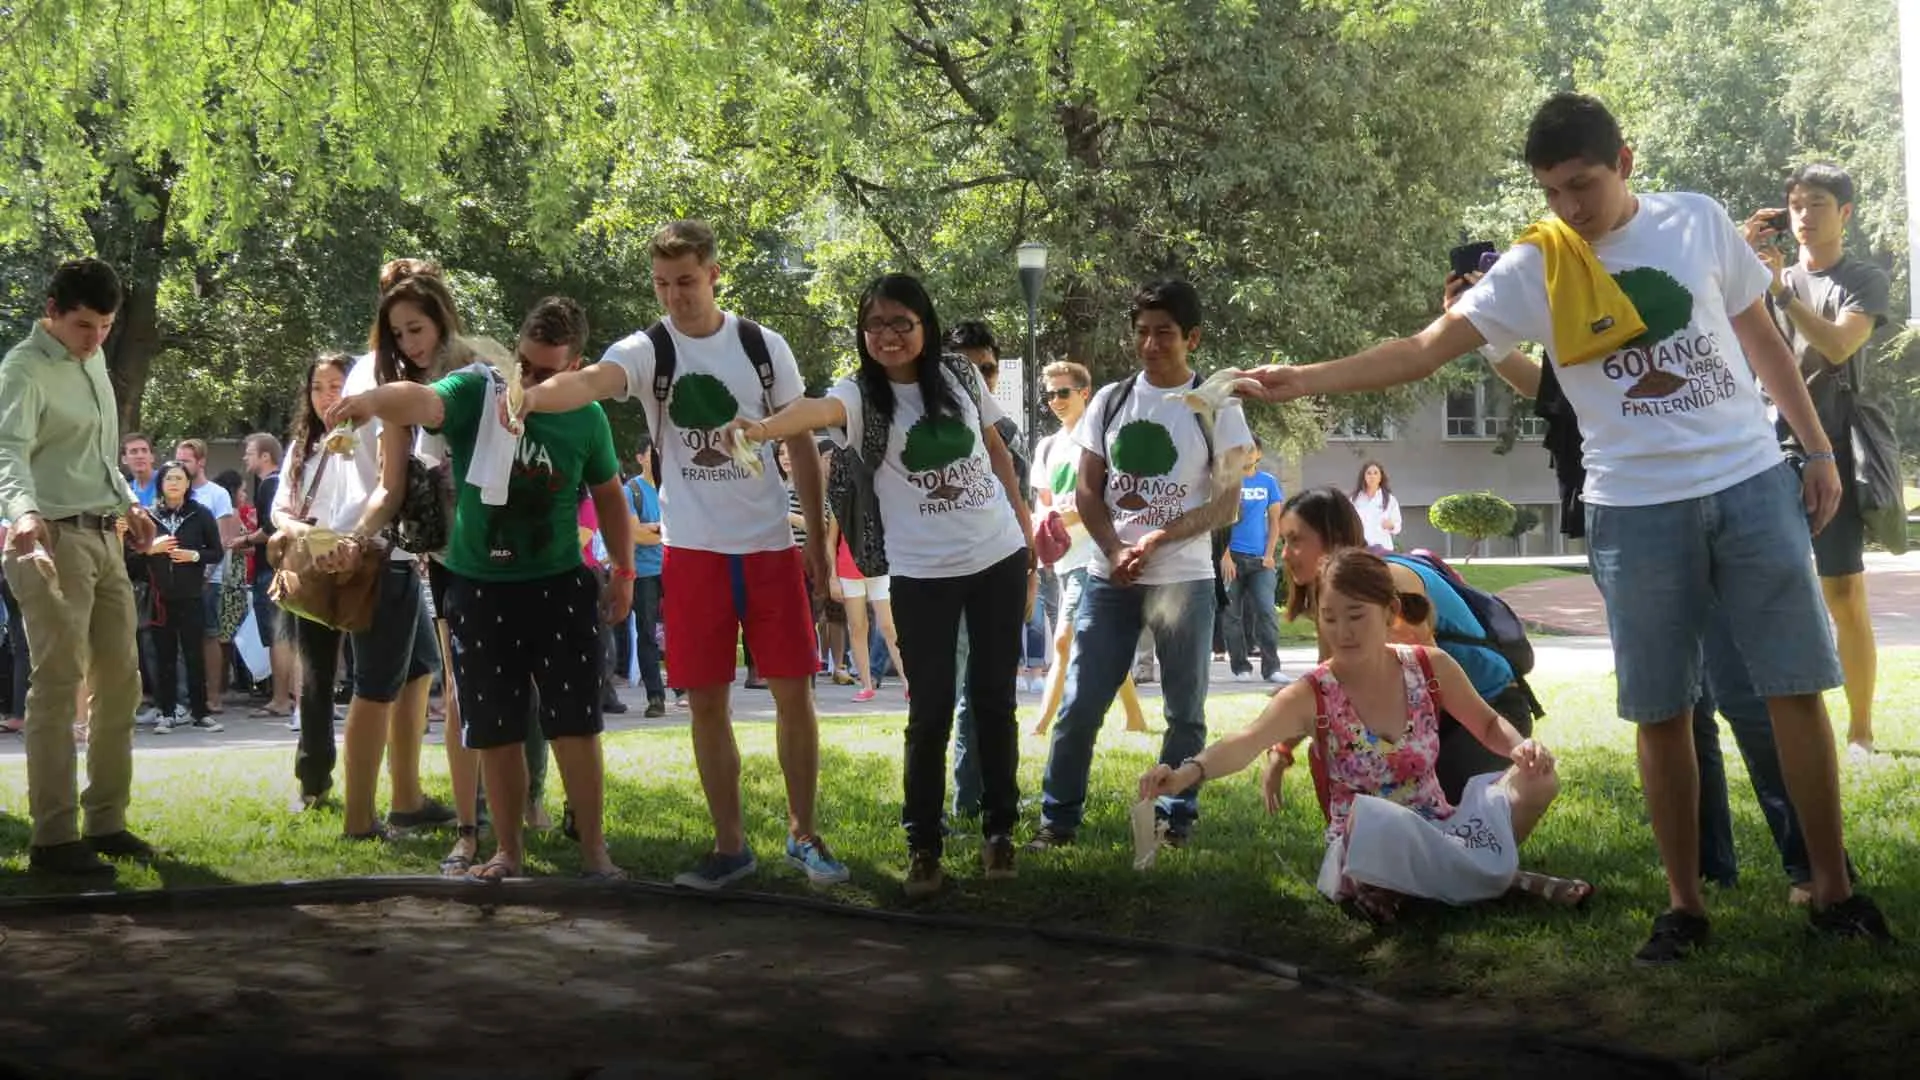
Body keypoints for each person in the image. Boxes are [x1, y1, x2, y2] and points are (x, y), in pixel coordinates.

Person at [1234, 92, 1891, 958]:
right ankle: (1685, 907)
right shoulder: (1535, 266)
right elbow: (1427, 347)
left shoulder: (1695, 223)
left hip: (1748, 482)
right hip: (1633, 507)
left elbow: (1761, 336)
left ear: (1623, 161)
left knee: (1794, 691)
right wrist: (1305, 378)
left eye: (1582, 184)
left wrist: (1814, 449)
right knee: (1661, 709)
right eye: (1552, 192)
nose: (1570, 208)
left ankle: (1834, 891)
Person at [511, 219, 844, 890]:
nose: (675, 297)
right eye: (663, 285)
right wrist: (525, 397)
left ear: (714, 273)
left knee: (793, 696)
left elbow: (800, 443)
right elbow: (591, 383)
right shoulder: (647, 349)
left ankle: (804, 834)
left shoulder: (760, 346)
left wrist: (817, 540)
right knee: (706, 703)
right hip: (692, 554)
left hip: (770, 546)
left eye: (687, 282)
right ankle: (731, 847)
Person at [733, 272, 1033, 896]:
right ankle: (923, 844)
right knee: (929, 712)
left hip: (998, 557)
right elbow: (816, 411)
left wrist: (1029, 539)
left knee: (994, 701)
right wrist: (761, 429)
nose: (888, 336)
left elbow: (997, 454)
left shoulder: (957, 375)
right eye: (875, 325)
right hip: (922, 573)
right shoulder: (860, 394)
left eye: (902, 323)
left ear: (925, 325)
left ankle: (999, 833)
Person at [330, 296, 631, 881]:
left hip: (559, 583)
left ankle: (595, 852)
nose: (531, 380)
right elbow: (420, 400)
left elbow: (612, 496)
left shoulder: (586, 415)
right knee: (495, 727)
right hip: (480, 586)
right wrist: (368, 401)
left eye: (548, 371)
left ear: (577, 366)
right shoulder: (478, 389)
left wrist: (622, 570)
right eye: (526, 365)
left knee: (575, 722)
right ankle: (507, 851)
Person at [1140, 549, 1588, 923]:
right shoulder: (1312, 691)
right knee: (1371, 818)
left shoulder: (1430, 665)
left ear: (1390, 612)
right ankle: (1498, 878)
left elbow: (1488, 725)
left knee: (1538, 780)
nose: (1342, 631)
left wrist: (1519, 748)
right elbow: (1246, 741)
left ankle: (1452, 882)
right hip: (1370, 843)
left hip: (1440, 825)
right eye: (1330, 618)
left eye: (1356, 616)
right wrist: (1185, 774)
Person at [1028, 279, 1254, 853]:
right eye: (1143, 332)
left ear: (1193, 338)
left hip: (1184, 579)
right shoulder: (1110, 399)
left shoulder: (1218, 405)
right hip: (1110, 579)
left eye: (1165, 333)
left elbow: (1226, 503)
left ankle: (1174, 821)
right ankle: (1058, 822)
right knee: (1080, 704)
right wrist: (1112, 551)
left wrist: (1156, 539)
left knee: (1184, 710)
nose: (1151, 344)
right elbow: (1086, 491)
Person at [0, 257, 159, 876]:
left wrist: (130, 505)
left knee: (121, 679)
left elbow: (95, 453)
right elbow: (7, 451)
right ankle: (54, 838)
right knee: (60, 682)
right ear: (53, 312)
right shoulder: (22, 369)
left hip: (104, 535)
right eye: (85, 326)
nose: (96, 339)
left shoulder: (93, 361)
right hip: (48, 540)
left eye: (106, 326)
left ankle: (107, 821)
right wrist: (22, 513)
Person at [1745, 164, 1889, 762]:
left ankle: (1859, 732)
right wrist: (1740, 257)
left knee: (1844, 592)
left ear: (1845, 212)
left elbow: (1836, 345)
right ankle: (1788, 725)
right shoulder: (1765, 279)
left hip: (1838, 442)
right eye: (1796, 205)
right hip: (1770, 443)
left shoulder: (1865, 279)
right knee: (1773, 588)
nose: (1804, 216)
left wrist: (1782, 293)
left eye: (1819, 203)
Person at [1028, 360, 1149, 738]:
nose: (1055, 400)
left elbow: (1109, 499)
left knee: (1064, 639)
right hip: (1063, 557)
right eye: (1049, 394)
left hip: (1096, 554)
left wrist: (1071, 517)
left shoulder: (1100, 442)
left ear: (1085, 393)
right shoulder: (1047, 447)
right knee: (1093, 639)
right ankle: (1135, 717)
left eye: (1063, 392)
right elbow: (1043, 503)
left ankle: (1044, 723)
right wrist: (1046, 523)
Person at [132, 460, 224, 734]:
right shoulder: (148, 516)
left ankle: (200, 712)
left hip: (192, 594)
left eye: (179, 478)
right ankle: (166, 712)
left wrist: (193, 555)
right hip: (159, 598)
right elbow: (133, 558)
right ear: (161, 484)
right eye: (168, 478)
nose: (173, 483)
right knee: (163, 655)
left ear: (187, 484)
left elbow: (216, 552)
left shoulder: (201, 514)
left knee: (194, 653)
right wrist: (151, 549)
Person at [173, 439, 239, 715]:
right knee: (179, 637)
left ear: (201, 462)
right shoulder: (174, 491)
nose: (180, 466)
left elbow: (225, 539)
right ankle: (183, 697)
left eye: (186, 460)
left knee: (209, 635)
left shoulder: (217, 494)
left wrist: (206, 572)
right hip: (178, 577)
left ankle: (213, 695)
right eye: (177, 460)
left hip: (208, 577)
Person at [235, 433, 295, 717]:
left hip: (270, 573)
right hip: (279, 569)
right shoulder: (279, 483)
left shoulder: (269, 486)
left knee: (277, 637)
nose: (245, 457)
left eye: (250, 452)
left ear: (265, 456)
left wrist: (243, 541)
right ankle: (290, 698)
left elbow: (271, 529)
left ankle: (281, 700)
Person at [1221, 436, 1286, 684]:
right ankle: (1241, 667)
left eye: (1253, 450)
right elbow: (1220, 522)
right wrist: (1225, 556)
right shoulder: (1228, 481)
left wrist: (1270, 554)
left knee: (1266, 612)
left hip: (1261, 560)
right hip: (1233, 558)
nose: (1248, 454)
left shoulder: (1268, 482)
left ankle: (1272, 668)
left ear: (1259, 454)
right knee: (1231, 616)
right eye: (1244, 450)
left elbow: (1274, 522)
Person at [625, 437, 667, 717]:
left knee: (683, 629)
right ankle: (655, 696)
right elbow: (633, 533)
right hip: (645, 574)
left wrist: (654, 529)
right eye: (651, 454)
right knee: (647, 634)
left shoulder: (672, 488)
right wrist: (665, 531)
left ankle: (686, 687)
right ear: (640, 458)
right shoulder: (632, 491)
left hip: (673, 568)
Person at [1351, 460, 1402, 550]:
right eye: (1369, 473)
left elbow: (1398, 526)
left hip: (1383, 548)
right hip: (1361, 549)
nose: (1372, 476)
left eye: (1375, 473)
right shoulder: (1354, 499)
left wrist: (1391, 525)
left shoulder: (1390, 500)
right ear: (1364, 477)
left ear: (1380, 477)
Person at [121, 434, 158, 508]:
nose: (140, 456)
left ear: (152, 457)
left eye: (144, 451)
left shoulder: (167, 481)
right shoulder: (126, 492)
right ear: (124, 459)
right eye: (133, 452)